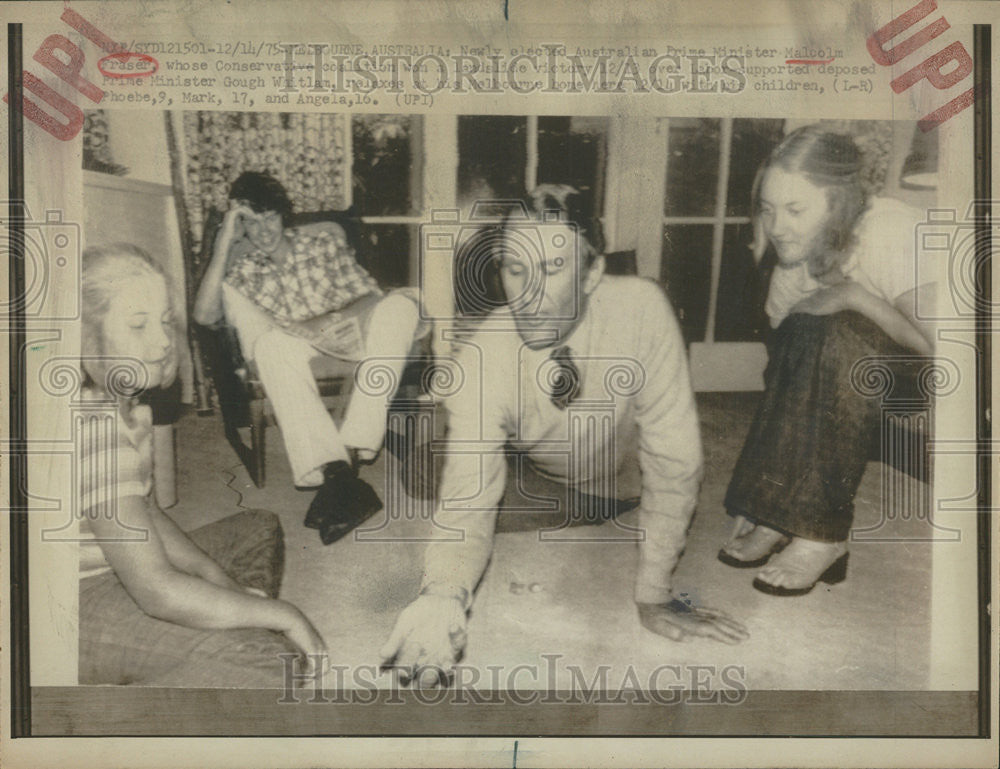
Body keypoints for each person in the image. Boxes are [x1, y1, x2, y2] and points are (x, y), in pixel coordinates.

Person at [380, 186, 749, 687]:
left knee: (434, 468)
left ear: (593, 272)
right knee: (435, 467)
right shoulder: (481, 353)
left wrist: (655, 590)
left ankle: (586, 506)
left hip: (611, 481)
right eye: (515, 268)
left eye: (552, 269)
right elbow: (467, 496)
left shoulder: (643, 308)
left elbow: (675, 459)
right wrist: (442, 595)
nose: (528, 296)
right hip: (536, 462)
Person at [78, 244, 328, 686]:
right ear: (86, 336)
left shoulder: (129, 404)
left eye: (165, 322)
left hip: (126, 564)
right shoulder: (94, 429)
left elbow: (147, 511)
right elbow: (154, 591)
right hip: (77, 606)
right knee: (267, 663)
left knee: (259, 525)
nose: (160, 341)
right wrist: (284, 615)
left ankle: (218, 621)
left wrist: (214, 577)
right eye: (138, 325)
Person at [717, 126, 936, 595]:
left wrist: (855, 295)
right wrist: (763, 487)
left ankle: (821, 532)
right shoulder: (793, 254)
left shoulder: (887, 230)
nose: (777, 227)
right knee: (806, 330)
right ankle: (779, 514)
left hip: (935, 373)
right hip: (859, 373)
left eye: (795, 209)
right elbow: (785, 371)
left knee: (838, 328)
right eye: (768, 209)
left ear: (838, 202)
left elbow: (954, 348)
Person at [192, 171, 424, 544]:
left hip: (348, 330)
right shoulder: (243, 269)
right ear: (241, 227)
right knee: (269, 347)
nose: (263, 231)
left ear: (284, 215)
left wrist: (336, 320)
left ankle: (349, 448)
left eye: (269, 217)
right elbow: (203, 316)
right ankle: (338, 471)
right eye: (251, 222)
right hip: (294, 342)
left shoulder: (320, 245)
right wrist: (224, 243)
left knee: (401, 306)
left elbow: (370, 294)